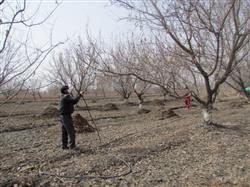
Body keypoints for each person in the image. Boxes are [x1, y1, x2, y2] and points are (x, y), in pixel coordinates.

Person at [59, 85, 83, 150]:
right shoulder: (66, 96)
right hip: (66, 117)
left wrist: (77, 96)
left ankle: (64, 146)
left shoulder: (63, 96)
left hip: (62, 117)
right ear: (64, 90)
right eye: (67, 90)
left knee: (65, 132)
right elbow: (74, 100)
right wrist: (80, 95)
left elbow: (73, 102)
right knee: (71, 131)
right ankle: (72, 146)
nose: (68, 91)